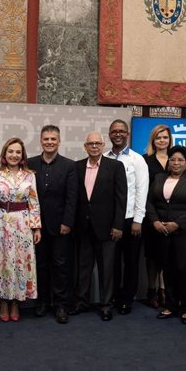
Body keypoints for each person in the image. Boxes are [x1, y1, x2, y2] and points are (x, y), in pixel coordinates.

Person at [70, 131, 127, 321]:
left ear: (103, 146)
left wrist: (118, 225)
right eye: (90, 143)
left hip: (108, 228)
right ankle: (81, 302)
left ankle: (106, 305)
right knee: (82, 268)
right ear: (85, 147)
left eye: (98, 143)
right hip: (82, 228)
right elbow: (74, 199)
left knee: (107, 269)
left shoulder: (115, 166)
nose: (94, 146)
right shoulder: (76, 167)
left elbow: (121, 199)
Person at [0, 138, 42, 322]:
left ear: (22, 155)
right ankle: (3, 301)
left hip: (23, 223)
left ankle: (16, 301)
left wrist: (36, 228)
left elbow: (34, 202)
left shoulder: (29, 175)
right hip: (2, 222)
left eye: (18, 152)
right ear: (4, 154)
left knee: (20, 261)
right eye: (10, 151)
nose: (14, 155)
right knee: (3, 261)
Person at [147, 145, 186, 325]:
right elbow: (149, 202)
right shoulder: (159, 177)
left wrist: (177, 224)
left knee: (181, 267)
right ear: (168, 161)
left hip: (184, 231)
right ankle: (171, 305)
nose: (176, 163)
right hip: (161, 230)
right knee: (166, 267)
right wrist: (155, 221)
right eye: (173, 159)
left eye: (180, 160)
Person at [27, 125, 77, 324]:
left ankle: (61, 305)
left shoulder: (69, 166)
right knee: (40, 265)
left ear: (59, 141)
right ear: (41, 140)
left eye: (53, 139)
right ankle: (42, 302)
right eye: (46, 139)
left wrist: (67, 222)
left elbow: (72, 198)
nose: (49, 142)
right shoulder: (29, 164)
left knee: (61, 266)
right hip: (35, 226)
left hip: (60, 225)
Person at [104, 119, 149, 315]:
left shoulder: (137, 160)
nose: (118, 134)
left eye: (122, 131)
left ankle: (126, 299)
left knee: (130, 262)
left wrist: (138, 220)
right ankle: (112, 296)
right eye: (114, 131)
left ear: (127, 134)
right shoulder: (103, 158)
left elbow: (142, 190)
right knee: (111, 261)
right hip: (108, 219)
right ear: (110, 134)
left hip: (131, 219)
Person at [142, 124, 172, 308]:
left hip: (171, 213)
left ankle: (164, 290)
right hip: (151, 213)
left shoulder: (176, 159)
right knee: (152, 256)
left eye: (165, 137)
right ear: (153, 140)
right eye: (158, 137)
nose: (162, 140)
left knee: (167, 256)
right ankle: (151, 291)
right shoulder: (145, 160)